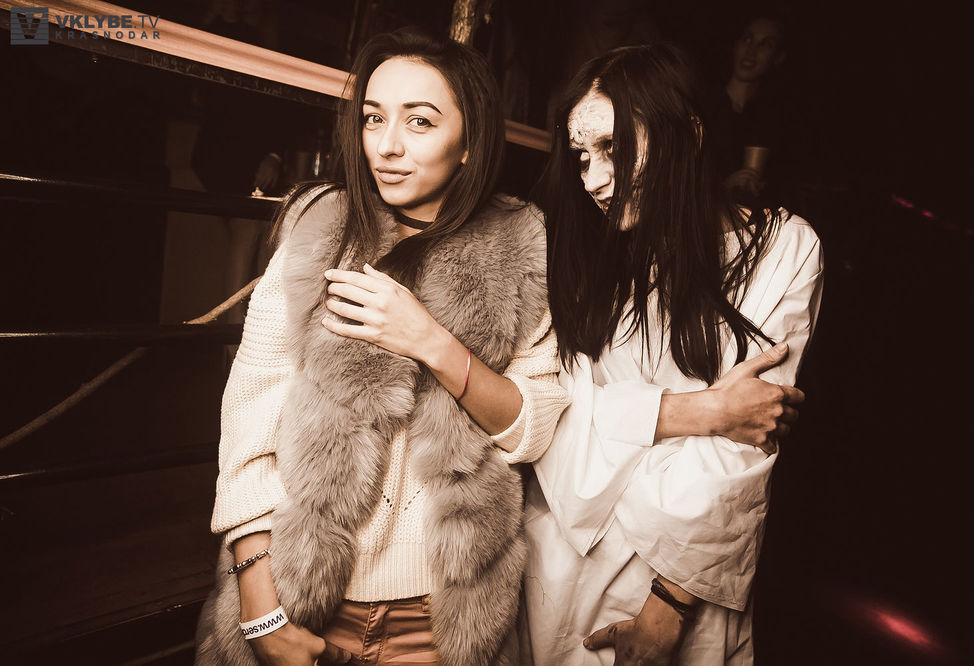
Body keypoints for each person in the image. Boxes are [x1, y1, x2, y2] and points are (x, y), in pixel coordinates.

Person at [195, 29, 573, 665]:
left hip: (440, 622)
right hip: (297, 596)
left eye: (419, 121)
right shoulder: (323, 230)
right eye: (374, 118)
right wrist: (261, 612)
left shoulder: (519, 244)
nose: (388, 146)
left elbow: (533, 428)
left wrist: (430, 341)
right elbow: (247, 430)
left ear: (470, 142)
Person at [524, 42, 824, 665]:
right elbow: (548, 412)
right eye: (582, 156)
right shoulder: (581, 249)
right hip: (561, 562)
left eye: (614, 148)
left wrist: (667, 609)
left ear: (687, 132)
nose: (593, 179)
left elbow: (746, 443)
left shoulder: (783, 249)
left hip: (682, 584)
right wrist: (704, 411)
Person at [705, 16, 796, 204]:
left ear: (778, 57)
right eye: (747, 39)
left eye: (766, 45)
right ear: (735, 45)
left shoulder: (772, 117)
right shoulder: (703, 103)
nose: (751, 50)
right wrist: (723, 187)